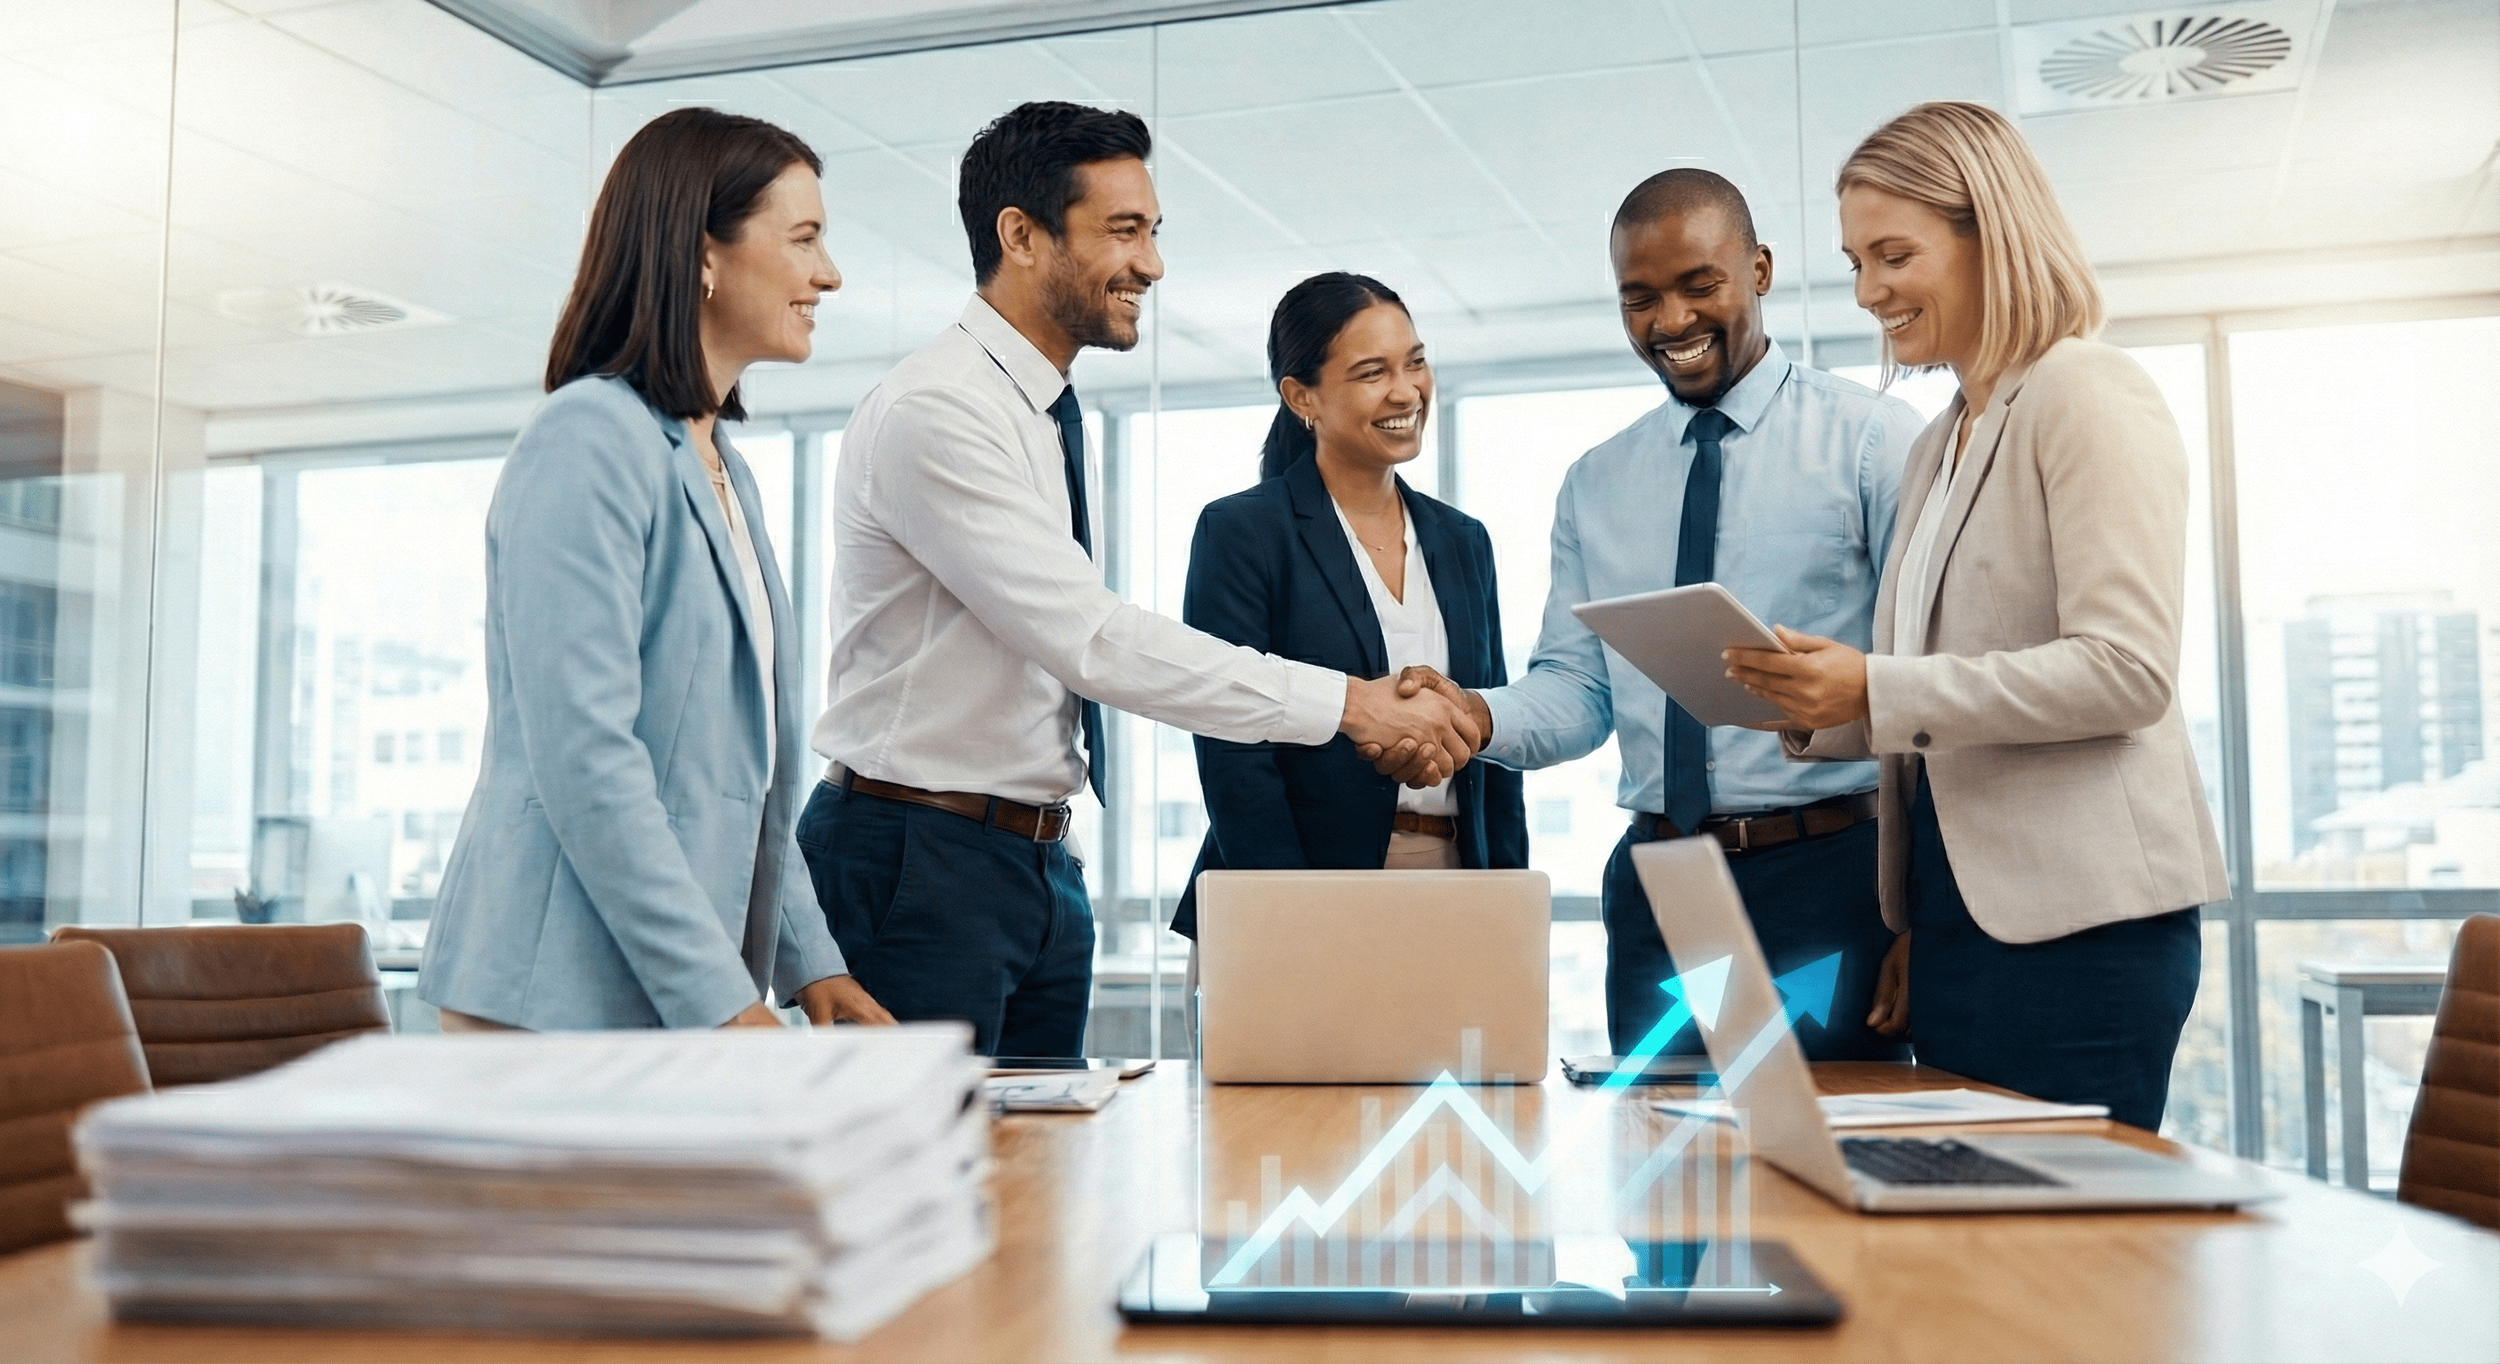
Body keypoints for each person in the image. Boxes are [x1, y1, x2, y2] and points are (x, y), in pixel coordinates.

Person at [800, 103, 1481, 1057]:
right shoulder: (939, 410)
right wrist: (1351, 707)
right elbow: (1093, 638)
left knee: (1034, 1190)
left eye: (1152, 232)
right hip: (920, 854)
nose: (1152, 264)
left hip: (1032, 858)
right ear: (1021, 236)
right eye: (1124, 231)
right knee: (911, 1191)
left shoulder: (1038, 412)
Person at [1725, 101, 2229, 1131]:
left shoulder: (2084, 390)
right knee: (1965, 1246)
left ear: (1988, 234)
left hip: (2085, 932)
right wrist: (1822, 704)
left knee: (2055, 1269)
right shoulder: (1938, 444)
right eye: (1856, 260)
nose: (1869, 291)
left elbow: (2126, 670)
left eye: (1894, 254)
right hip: (1962, 921)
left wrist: (1874, 682)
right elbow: (1944, 692)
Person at [1382, 170, 1923, 1062]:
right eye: (1639, 298)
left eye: (1697, 285)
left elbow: (1931, 689)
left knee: (1824, 1166)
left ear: (1759, 269)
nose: (1669, 322)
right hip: (1660, 883)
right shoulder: (1598, 481)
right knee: (1663, 1172)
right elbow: (1577, 692)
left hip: (1830, 876)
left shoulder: (1871, 440)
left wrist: (1923, 913)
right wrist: (1476, 714)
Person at [420, 108, 891, 1031]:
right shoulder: (587, 438)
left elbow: (746, 782)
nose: (828, 273)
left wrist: (809, 963)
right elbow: (586, 758)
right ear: (702, 254)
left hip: (668, 995)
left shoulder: (725, 472)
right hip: (552, 1001)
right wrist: (721, 1003)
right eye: (803, 239)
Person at [1169, 273, 1527, 944]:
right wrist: (1293, 919)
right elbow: (1232, 747)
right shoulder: (1245, 532)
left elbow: (1491, 735)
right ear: (1302, 397)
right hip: (1299, 887)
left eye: (1414, 362)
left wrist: (1509, 905)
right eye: (1371, 373)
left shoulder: (1463, 541)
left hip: (1455, 880)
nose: (1406, 390)